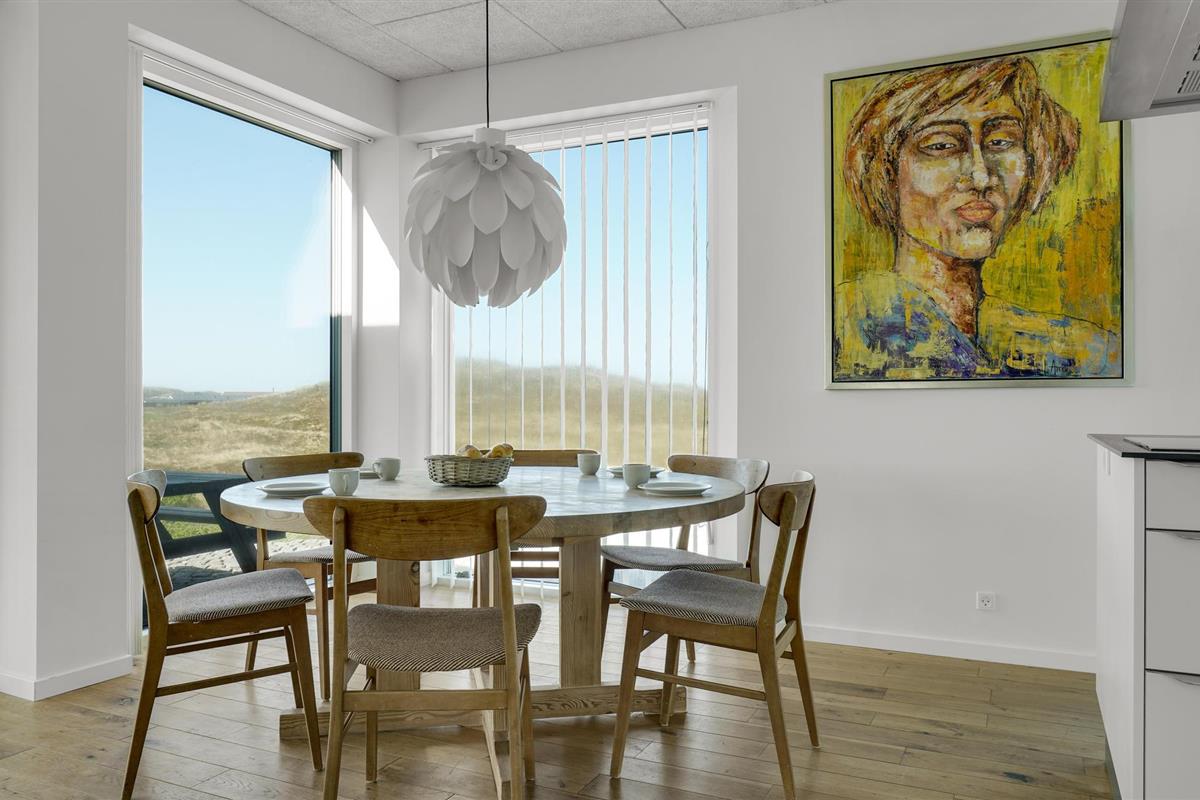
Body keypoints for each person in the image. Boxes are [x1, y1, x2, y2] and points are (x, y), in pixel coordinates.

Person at [834, 54, 1120, 381]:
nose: (981, 176)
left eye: (1000, 142)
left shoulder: (1088, 353)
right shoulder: (841, 328)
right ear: (885, 171)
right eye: (941, 145)